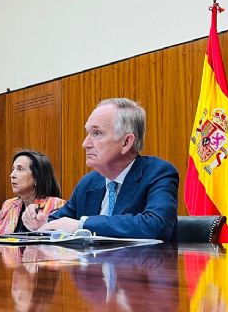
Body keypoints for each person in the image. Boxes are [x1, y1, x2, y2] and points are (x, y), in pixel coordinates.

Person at [24, 98, 179, 240]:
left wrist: (83, 225)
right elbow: (63, 220)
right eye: (88, 133)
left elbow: (156, 225)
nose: (85, 144)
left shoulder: (158, 173)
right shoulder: (89, 182)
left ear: (126, 142)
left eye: (96, 133)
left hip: (140, 267)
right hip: (92, 269)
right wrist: (42, 223)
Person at [0, 149, 65, 235]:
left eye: (20, 169)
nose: (12, 175)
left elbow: (59, 239)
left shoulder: (56, 205)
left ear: (37, 178)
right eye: (13, 169)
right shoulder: (9, 205)